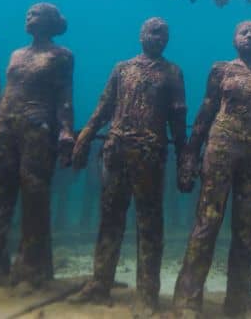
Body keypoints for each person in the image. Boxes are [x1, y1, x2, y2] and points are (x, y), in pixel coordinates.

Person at [69, 17, 187, 315]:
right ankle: (100, 284)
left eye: (164, 34)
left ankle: (148, 295)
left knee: (149, 225)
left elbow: (178, 122)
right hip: (116, 151)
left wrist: (186, 158)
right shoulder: (122, 69)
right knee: (110, 219)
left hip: (150, 156)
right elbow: (103, 107)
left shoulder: (173, 73)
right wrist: (83, 138)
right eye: (154, 31)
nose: (159, 37)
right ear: (141, 35)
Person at [0, 3, 75, 292]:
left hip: (36, 129)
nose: (29, 16)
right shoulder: (16, 54)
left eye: (36, 13)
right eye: (27, 13)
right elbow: (6, 94)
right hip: (5, 127)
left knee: (34, 197)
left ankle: (32, 271)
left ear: (50, 21)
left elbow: (64, 95)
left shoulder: (61, 55)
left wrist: (66, 130)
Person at [173, 21, 251, 317]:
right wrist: (190, 153)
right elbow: (206, 108)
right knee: (207, 223)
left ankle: (238, 303)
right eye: (244, 32)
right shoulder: (221, 69)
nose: (250, 35)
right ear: (234, 39)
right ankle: (187, 300)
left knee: (245, 230)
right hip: (222, 148)